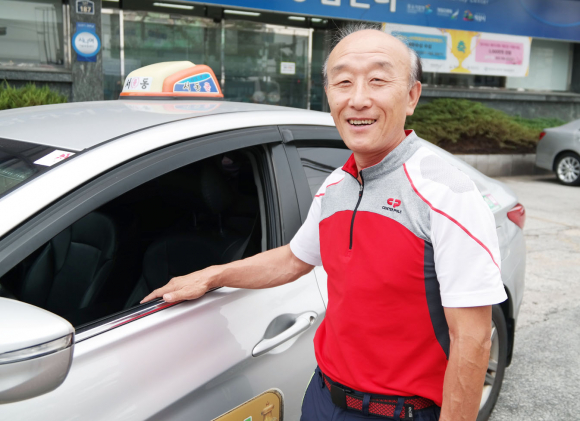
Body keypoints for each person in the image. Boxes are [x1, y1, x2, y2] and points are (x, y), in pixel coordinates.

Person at [141, 24, 507, 421]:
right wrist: (214, 275)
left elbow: (472, 340)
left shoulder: (447, 193)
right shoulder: (336, 185)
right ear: (329, 95)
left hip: (400, 412)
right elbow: (293, 259)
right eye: (343, 82)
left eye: (378, 80)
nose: (358, 99)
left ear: (411, 96)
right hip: (322, 398)